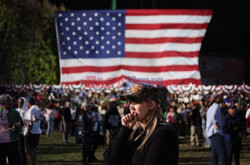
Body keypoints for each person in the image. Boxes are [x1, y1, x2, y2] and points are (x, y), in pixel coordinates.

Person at [104, 83, 179, 165]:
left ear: (151, 105)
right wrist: (124, 130)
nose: (131, 107)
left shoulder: (163, 132)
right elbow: (110, 160)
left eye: (135, 102)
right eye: (130, 102)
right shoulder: (134, 132)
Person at [0, 94, 23, 165]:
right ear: (3, 102)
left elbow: (21, 124)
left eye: (11, 100)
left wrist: (17, 126)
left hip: (12, 141)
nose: (11, 102)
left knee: (14, 161)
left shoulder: (15, 112)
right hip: (1, 142)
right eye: (9, 100)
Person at [206, 95, 227, 165]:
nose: (221, 98)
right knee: (222, 154)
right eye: (219, 97)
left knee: (214, 155)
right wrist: (216, 124)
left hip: (212, 133)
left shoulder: (212, 107)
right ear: (216, 99)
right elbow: (213, 116)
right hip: (216, 132)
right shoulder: (216, 106)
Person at [24, 96, 42, 165]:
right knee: (32, 149)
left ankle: (33, 163)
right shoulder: (37, 108)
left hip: (31, 132)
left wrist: (27, 132)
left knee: (28, 150)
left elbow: (30, 123)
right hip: (36, 131)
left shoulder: (31, 109)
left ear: (28, 102)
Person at [16, 97, 29, 165]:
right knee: (18, 149)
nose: (19, 104)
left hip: (24, 132)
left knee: (23, 150)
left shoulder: (27, 112)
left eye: (21, 102)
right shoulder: (16, 111)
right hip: (17, 132)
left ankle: (23, 162)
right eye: (18, 102)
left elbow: (27, 122)